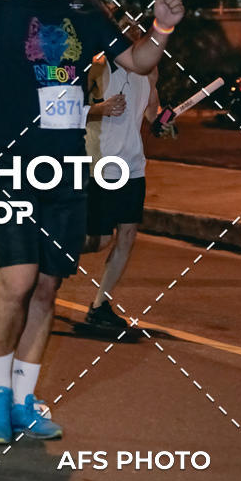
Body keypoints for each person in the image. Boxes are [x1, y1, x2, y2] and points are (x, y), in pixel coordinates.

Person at [0, 0, 185, 444]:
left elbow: (138, 61)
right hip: (5, 160)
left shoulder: (83, 7)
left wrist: (163, 27)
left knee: (48, 287)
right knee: (17, 279)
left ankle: (24, 399)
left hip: (65, 165)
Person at [83, 28, 169, 331]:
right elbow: (66, 110)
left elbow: (151, 112)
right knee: (98, 240)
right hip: (100, 164)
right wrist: (99, 108)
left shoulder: (150, 70)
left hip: (133, 166)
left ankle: (99, 305)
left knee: (128, 235)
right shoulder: (98, 65)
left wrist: (162, 123)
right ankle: (46, 253)